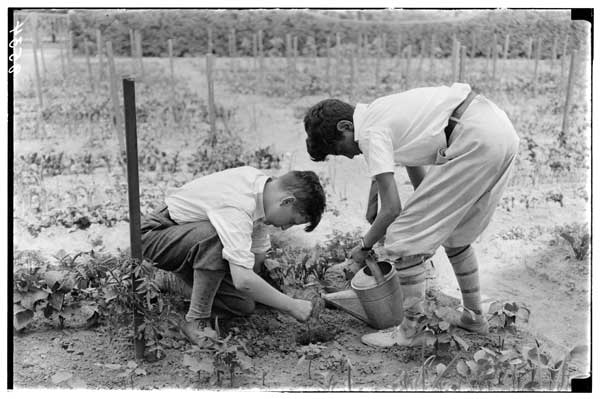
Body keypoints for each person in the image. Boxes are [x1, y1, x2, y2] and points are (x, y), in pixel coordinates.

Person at [304, 83, 519, 347]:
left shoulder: (369, 132)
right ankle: (474, 317)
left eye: (339, 149)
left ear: (345, 127)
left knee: (402, 236)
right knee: (456, 233)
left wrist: (364, 246)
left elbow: (392, 209)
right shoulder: (380, 112)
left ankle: (411, 330)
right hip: (496, 129)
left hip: (474, 136)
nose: (347, 156)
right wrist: (425, 218)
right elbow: (416, 174)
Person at [141, 166, 326, 345]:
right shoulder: (239, 204)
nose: (286, 228)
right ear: (286, 201)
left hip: (186, 240)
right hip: (155, 234)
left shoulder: (263, 195)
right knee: (215, 237)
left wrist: (271, 290)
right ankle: (196, 319)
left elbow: (256, 261)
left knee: (242, 304)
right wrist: (291, 305)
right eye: (292, 221)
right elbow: (243, 281)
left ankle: (169, 280)